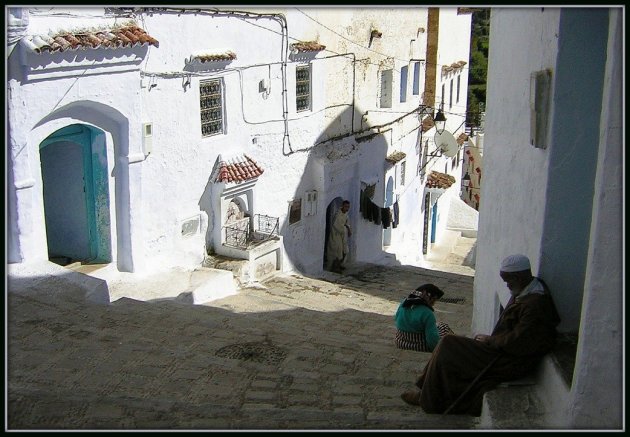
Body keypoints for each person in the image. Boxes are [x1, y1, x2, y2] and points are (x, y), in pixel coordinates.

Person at [400, 254, 560, 416]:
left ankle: (426, 398)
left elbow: (519, 341)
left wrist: (490, 340)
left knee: (449, 344)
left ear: (519, 277)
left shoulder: (535, 306)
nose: (507, 285)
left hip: (507, 358)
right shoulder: (527, 289)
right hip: (500, 349)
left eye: (508, 281)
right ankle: (424, 388)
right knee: (447, 344)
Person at [394, 284, 454, 352]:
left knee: (437, 326)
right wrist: (437, 351)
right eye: (433, 300)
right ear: (428, 298)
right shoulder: (427, 313)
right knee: (444, 327)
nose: (433, 303)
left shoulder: (403, 304)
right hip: (420, 346)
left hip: (401, 343)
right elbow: (432, 339)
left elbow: (396, 319)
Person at [326, 200, 352, 273]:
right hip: (336, 235)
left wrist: (348, 229)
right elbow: (336, 226)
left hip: (343, 236)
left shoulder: (346, 214)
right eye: (346, 206)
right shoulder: (338, 215)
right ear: (343, 206)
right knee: (337, 252)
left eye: (348, 207)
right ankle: (334, 267)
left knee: (344, 251)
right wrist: (345, 228)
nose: (347, 208)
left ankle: (340, 265)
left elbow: (347, 223)